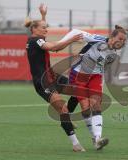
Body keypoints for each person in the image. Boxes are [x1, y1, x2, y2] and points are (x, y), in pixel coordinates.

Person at [24, 4, 85, 152]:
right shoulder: (34, 41)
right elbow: (54, 48)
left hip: (53, 76)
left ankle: (66, 119)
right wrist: (71, 39)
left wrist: (43, 15)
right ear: (34, 30)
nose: (46, 29)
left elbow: (45, 39)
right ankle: (75, 144)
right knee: (62, 108)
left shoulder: (36, 38)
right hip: (43, 82)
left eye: (46, 26)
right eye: (44, 27)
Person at [60, 25, 128, 150]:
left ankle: (98, 139)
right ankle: (94, 137)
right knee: (85, 108)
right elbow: (76, 31)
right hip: (79, 75)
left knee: (96, 105)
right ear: (112, 37)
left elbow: (104, 68)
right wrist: (61, 43)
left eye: (124, 41)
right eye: (120, 39)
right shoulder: (97, 39)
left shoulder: (114, 53)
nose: (122, 42)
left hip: (96, 76)